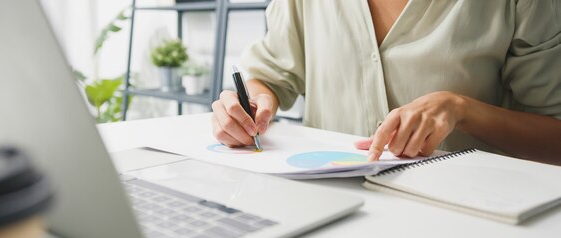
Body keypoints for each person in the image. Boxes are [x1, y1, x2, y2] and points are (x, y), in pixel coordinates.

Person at [211, 0, 561, 166]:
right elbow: (268, 76)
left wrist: (462, 109)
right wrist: (252, 104)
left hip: (465, 222)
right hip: (323, 215)